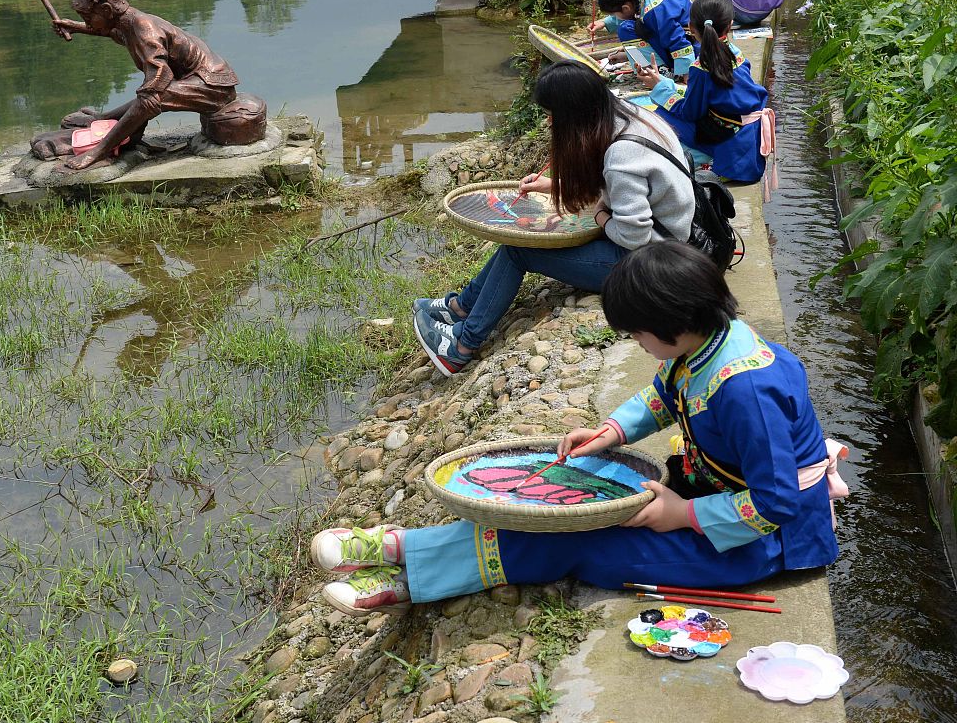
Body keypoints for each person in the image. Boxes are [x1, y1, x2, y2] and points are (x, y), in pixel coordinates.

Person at [311, 241, 845, 616]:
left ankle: (408, 571)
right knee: (562, 508)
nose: (637, 343)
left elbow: (776, 503)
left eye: (637, 332)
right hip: (714, 498)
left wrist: (682, 514)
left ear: (673, 322)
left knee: (574, 546)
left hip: (764, 541)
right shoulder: (708, 341)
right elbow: (663, 395)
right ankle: (407, 552)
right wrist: (611, 432)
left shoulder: (748, 391)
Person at [411, 61, 693, 377]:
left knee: (518, 250)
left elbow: (633, 236)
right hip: (665, 242)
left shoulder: (622, 156)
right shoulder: (624, 115)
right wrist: (555, 185)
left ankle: (461, 346)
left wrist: (599, 213)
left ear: (573, 113)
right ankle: (460, 308)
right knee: (517, 245)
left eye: (552, 114)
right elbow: (618, 189)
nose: (549, 121)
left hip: (649, 264)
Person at [47, 0, 241, 169]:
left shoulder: (142, 28)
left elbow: (160, 77)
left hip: (214, 86)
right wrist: (75, 27)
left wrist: (98, 151)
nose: (88, 24)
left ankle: (99, 151)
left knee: (150, 97)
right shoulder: (127, 23)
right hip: (198, 80)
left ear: (106, 10)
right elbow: (109, 31)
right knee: (149, 96)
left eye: (88, 18)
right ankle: (103, 120)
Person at [635, 0, 774, 185]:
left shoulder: (701, 67)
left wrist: (659, 87)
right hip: (749, 135)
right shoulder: (737, 54)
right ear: (730, 24)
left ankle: (694, 162)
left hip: (731, 142)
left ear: (691, 29)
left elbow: (690, 112)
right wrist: (664, 85)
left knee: (660, 115)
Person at [591, 0, 696, 80]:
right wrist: (627, 55)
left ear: (626, 8)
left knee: (626, 29)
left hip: (694, 46)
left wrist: (687, 74)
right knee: (628, 29)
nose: (615, 18)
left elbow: (678, 42)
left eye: (614, 15)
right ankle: (652, 67)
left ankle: (659, 72)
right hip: (680, 40)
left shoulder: (655, 12)